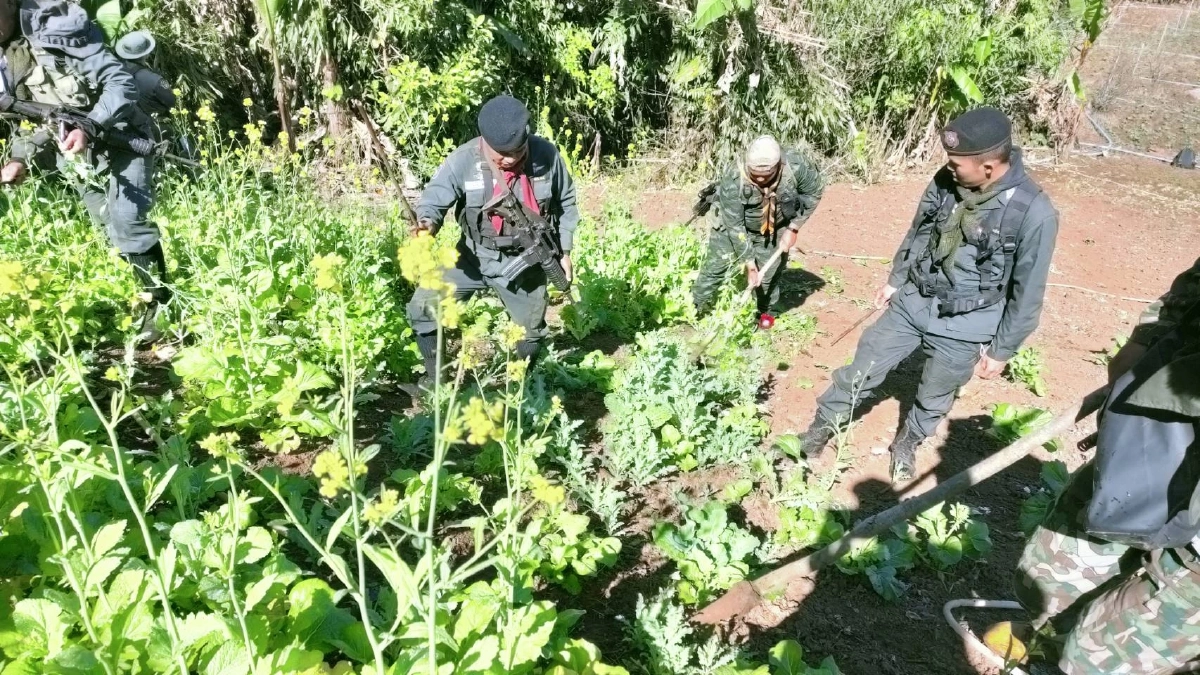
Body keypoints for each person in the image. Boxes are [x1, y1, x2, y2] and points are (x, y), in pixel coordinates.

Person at [800, 107, 1059, 482]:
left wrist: (1003, 349)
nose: (949, 167)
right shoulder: (946, 182)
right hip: (915, 301)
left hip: (967, 322)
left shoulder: (1033, 212)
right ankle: (821, 428)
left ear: (988, 166)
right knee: (863, 367)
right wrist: (896, 278)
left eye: (957, 162)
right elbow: (920, 231)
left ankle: (908, 441)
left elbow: (1028, 291)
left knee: (937, 392)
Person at [1012, 257, 1200, 674]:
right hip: (1162, 436)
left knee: (1098, 659)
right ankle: (1046, 648)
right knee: (1047, 577)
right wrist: (1148, 341)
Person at [0, 0, 167, 343]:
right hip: (74, 151)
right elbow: (38, 119)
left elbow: (120, 82)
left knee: (127, 219)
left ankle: (161, 305)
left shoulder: (58, 28)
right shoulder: (9, 59)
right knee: (108, 226)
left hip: (122, 135)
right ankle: (143, 289)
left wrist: (89, 126)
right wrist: (20, 159)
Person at [405, 94, 578, 387]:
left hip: (526, 262)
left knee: (531, 332)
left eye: (518, 151)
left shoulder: (547, 156)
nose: (511, 159)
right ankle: (437, 382)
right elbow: (434, 199)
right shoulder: (464, 160)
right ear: (486, 142)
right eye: (503, 154)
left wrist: (565, 250)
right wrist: (426, 225)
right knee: (424, 308)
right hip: (473, 256)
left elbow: (567, 202)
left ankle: (517, 388)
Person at [691, 135, 823, 325]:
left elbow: (814, 192)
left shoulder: (796, 166)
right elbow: (735, 225)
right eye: (755, 175)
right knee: (714, 270)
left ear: (778, 167)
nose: (760, 180)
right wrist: (750, 264)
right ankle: (694, 311)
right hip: (731, 227)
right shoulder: (734, 178)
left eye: (766, 176)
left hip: (774, 227)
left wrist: (793, 228)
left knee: (768, 277)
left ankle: (764, 317)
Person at [114, 29, 176, 118]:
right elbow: (172, 102)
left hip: (122, 122)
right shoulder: (154, 80)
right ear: (146, 54)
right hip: (152, 124)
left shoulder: (114, 72)